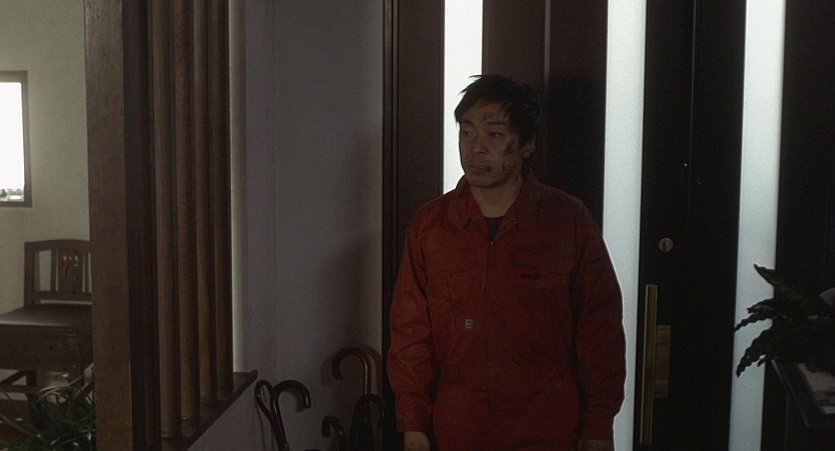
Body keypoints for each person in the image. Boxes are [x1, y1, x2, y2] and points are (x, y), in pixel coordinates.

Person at [387, 74, 626, 451]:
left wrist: (599, 425)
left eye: (494, 134)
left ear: (527, 144)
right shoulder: (431, 226)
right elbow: (410, 331)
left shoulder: (566, 220)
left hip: (547, 428)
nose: (476, 148)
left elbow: (600, 329)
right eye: (467, 133)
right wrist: (413, 421)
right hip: (459, 428)